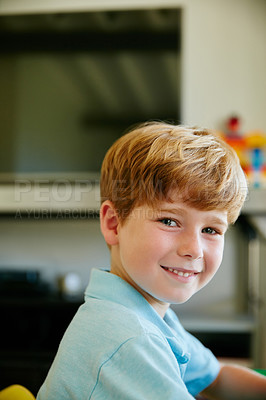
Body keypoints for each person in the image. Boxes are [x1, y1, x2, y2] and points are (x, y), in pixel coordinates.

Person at [37, 122, 266, 399]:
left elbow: (217, 378)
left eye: (211, 230)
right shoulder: (128, 339)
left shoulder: (152, 315)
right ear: (114, 224)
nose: (194, 249)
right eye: (169, 221)